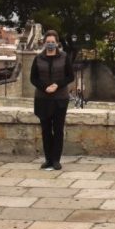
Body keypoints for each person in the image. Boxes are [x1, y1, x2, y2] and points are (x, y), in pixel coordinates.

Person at [30, 30, 75, 170]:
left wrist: (57, 85)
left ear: (57, 43)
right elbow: (33, 78)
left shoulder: (64, 57)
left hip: (60, 99)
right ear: (44, 43)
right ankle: (48, 159)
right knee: (46, 130)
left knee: (58, 129)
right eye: (48, 42)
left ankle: (56, 159)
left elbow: (70, 76)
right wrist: (45, 88)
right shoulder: (38, 58)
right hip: (43, 99)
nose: (50, 44)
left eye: (53, 42)